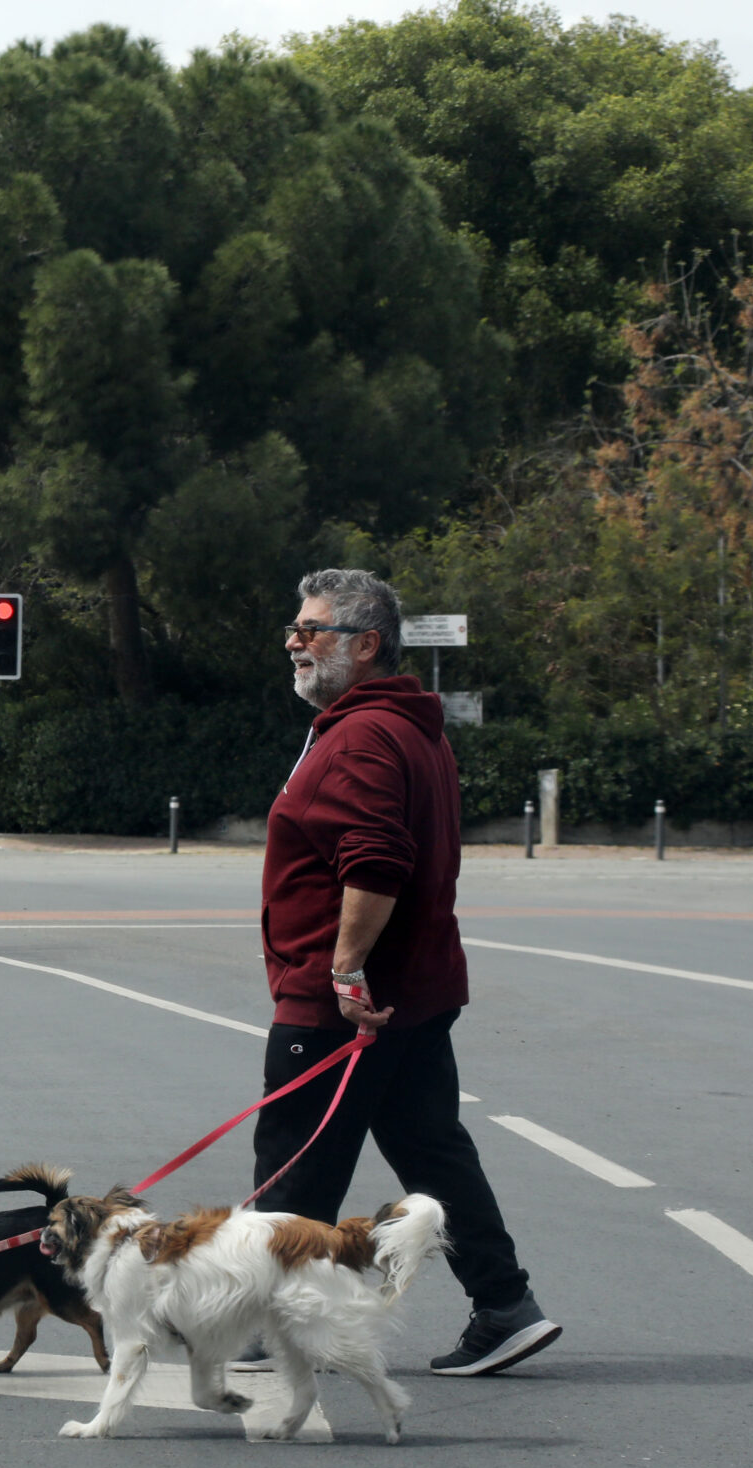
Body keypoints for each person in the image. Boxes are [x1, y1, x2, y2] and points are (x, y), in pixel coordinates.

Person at [247, 568, 561, 1377]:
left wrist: (345, 968)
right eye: (294, 628)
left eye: (311, 629)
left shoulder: (362, 737)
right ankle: (505, 1303)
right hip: (415, 994)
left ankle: (266, 1324)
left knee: (294, 1162)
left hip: (348, 1004)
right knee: (434, 1154)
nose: (294, 642)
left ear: (365, 644)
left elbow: (377, 861)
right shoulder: (407, 729)